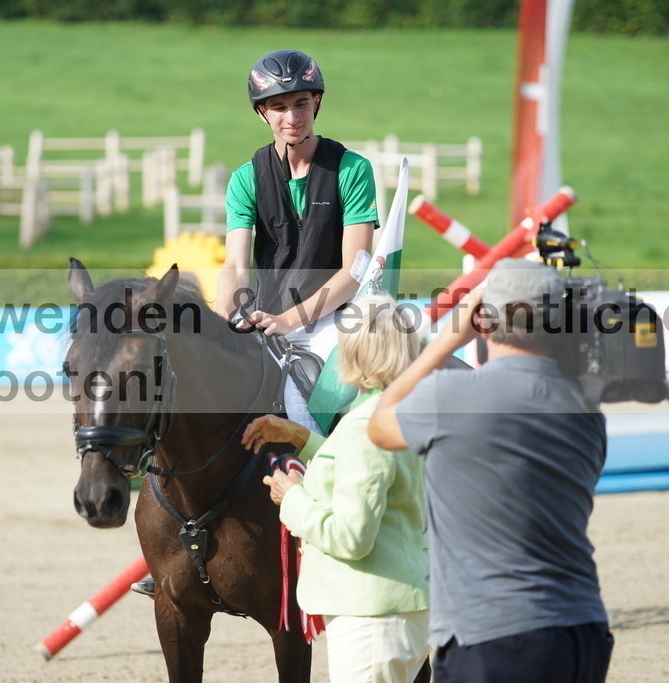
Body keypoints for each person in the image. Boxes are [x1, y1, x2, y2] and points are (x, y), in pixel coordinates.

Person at [367, 259, 614, 683]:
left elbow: (379, 425)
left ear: (481, 320)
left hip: (494, 636)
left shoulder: (452, 395)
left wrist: (443, 343)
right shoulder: (586, 412)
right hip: (583, 629)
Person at [245, 295, 430, 682]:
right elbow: (367, 470)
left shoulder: (365, 426)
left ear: (352, 351)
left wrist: (292, 498)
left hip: (370, 615)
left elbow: (351, 537)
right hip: (395, 607)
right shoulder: (392, 412)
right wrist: (301, 438)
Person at [215, 49, 379, 430]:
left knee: (330, 397)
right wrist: (221, 319)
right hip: (264, 312)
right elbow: (235, 265)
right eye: (279, 107)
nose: (292, 117)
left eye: (301, 103)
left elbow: (355, 270)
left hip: (332, 318)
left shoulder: (353, 170)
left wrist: (288, 320)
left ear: (316, 102)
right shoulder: (244, 179)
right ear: (262, 112)